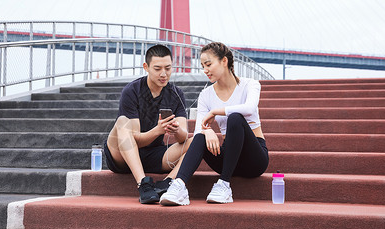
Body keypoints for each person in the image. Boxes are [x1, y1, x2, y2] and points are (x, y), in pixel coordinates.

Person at [160, 42, 269, 206]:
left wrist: (215, 111)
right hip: (228, 158)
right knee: (200, 137)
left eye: (209, 64)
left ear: (224, 61)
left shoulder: (250, 85)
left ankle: (224, 185)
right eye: (203, 66)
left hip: (254, 159)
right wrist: (208, 131)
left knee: (236, 118)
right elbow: (198, 131)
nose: (205, 70)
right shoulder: (206, 94)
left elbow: (249, 108)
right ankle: (179, 186)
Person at [104, 44, 189, 204]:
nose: (164, 74)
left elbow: (184, 137)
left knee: (196, 141)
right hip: (122, 154)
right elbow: (134, 140)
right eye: (157, 69)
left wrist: (176, 130)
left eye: (168, 68)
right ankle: (143, 184)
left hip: (154, 154)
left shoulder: (177, 94)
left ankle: (167, 183)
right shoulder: (132, 91)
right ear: (146, 67)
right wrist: (158, 130)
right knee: (122, 122)